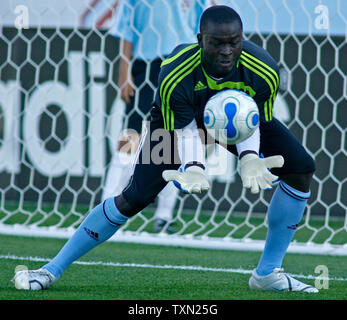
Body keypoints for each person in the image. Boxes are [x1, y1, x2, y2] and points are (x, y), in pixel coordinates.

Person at [12, 5, 318, 293]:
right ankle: (50, 270)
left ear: (242, 39)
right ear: (200, 40)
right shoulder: (175, 71)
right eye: (217, 43)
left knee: (301, 168)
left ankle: (267, 273)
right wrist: (194, 167)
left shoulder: (264, 69)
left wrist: (250, 158)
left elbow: (254, 123)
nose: (226, 51)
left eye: (234, 42)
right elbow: (185, 132)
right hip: (177, 125)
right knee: (133, 198)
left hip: (232, 122)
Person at [101, 0, 207, 233]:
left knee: (171, 141)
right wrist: (124, 73)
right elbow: (127, 31)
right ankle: (104, 206)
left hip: (181, 67)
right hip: (145, 66)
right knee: (130, 137)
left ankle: (164, 215)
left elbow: (201, 31)